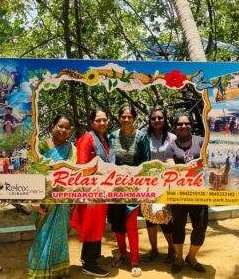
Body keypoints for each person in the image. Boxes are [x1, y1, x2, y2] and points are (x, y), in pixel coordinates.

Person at [28, 114, 76, 278]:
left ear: (70, 131)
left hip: (63, 201)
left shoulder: (72, 149)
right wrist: (34, 200)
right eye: (60, 126)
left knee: (61, 235)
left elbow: (74, 176)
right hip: (43, 200)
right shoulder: (40, 146)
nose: (63, 130)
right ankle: (39, 271)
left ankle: (58, 270)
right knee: (42, 236)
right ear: (52, 127)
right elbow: (33, 172)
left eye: (67, 128)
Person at [69, 109, 114, 277]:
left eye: (104, 120)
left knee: (97, 224)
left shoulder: (104, 139)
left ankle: (88, 257)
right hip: (91, 192)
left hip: (103, 190)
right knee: (92, 226)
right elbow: (82, 166)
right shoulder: (87, 139)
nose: (102, 123)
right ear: (91, 122)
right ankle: (90, 263)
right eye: (98, 120)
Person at [108, 106, 150, 277]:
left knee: (131, 224)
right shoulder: (112, 136)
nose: (126, 119)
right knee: (117, 223)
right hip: (115, 187)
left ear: (134, 118)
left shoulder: (141, 137)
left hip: (134, 187)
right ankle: (122, 254)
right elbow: (108, 160)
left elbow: (146, 161)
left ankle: (134, 260)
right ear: (119, 118)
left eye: (129, 117)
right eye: (123, 116)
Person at [165, 113, 208, 274]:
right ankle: (179, 258)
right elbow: (170, 166)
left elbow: (208, 161)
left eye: (186, 123)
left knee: (200, 227)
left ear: (192, 125)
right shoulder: (171, 146)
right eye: (180, 124)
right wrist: (193, 166)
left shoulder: (202, 141)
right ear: (175, 127)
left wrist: (185, 167)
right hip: (179, 195)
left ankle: (191, 257)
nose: (183, 126)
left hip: (200, 194)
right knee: (178, 227)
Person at [144, 106, 175, 263]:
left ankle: (172, 248)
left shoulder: (172, 138)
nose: (157, 120)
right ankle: (154, 250)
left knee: (164, 216)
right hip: (147, 183)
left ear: (165, 119)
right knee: (149, 218)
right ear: (149, 120)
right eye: (154, 118)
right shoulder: (144, 137)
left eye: (160, 118)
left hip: (166, 184)